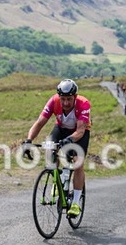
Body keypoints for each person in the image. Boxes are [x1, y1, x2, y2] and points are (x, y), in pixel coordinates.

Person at [23, 79, 91, 217]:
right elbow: (40, 122)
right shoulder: (53, 101)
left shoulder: (83, 104)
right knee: (50, 148)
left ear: (75, 97)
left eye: (69, 99)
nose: (65, 103)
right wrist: (28, 141)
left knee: (78, 162)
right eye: (63, 99)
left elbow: (80, 131)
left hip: (79, 133)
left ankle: (76, 203)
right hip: (61, 128)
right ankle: (57, 179)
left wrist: (69, 140)